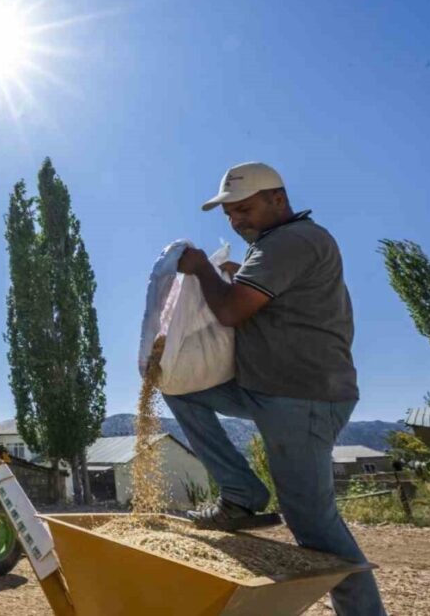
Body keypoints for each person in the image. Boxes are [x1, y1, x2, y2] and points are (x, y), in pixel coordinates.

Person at [165, 162, 386, 615]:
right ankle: (241, 493)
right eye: (228, 214)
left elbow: (230, 311)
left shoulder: (292, 241)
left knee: (314, 527)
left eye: (243, 209)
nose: (235, 221)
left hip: (302, 398)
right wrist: (227, 271)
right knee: (180, 388)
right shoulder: (273, 246)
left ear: (277, 200)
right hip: (267, 390)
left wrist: (205, 269)